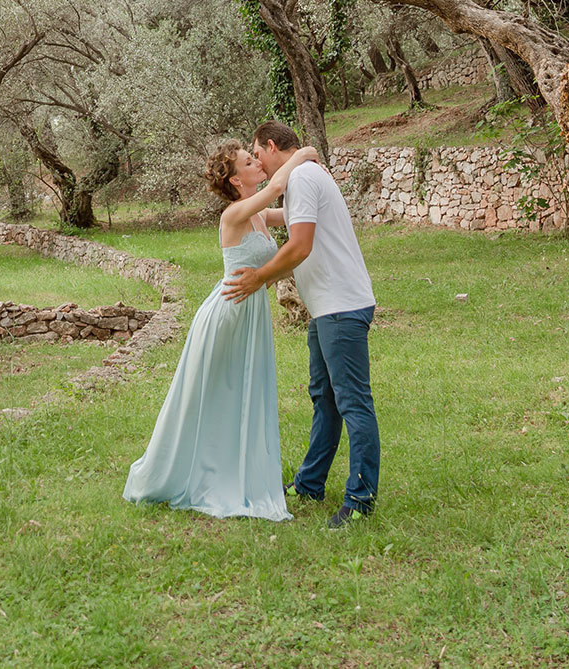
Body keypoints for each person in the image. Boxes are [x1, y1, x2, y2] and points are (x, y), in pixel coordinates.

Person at [122, 139, 321, 521]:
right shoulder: (234, 213)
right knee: (211, 395)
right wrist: (303, 154)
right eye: (250, 162)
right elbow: (278, 187)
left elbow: (294, 212)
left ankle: (233, 468)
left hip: (249, 314)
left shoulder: (260, 215)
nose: (257, 163)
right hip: (229, 314)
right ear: (234, 181)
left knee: (239, 394)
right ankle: (188, 472)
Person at [222, 119, 378, 530]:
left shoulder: (305, 178)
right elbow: (272, 213)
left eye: (257, 154)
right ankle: (310, 484)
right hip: (325, 308)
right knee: (324, 399)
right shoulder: (300, 179)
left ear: (271, 147)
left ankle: (360, 500)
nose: (256, 161)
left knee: (352, 402)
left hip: (341, 307)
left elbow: (300, 245)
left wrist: (260, 277)